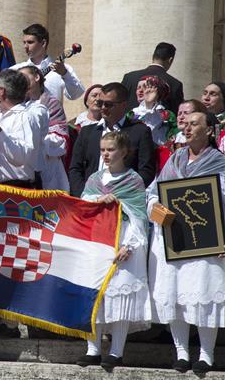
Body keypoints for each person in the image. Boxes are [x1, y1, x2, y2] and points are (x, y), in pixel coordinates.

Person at [147, 112, 225, 375]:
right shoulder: (174, 160)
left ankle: (206, 354)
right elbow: (152, 192)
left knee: (203, 295)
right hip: (174, 237)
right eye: (186, 124)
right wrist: (154, 208)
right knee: (175, 295)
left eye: (194, 124)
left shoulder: (220, 162)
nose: (188, 128)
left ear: (210, 131)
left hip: (207, 240)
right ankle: (181, 353)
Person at [76, 131, 150, 371]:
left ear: (124, 152)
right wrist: (99, 198)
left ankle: (117, 351)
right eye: (103, 150)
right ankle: (93, 349)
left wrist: (130, 245)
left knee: (121, 295)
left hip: (124, 239)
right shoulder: (94, 179)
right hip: (98, 239)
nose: (106, 154)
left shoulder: (133, 180)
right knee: (95, 294)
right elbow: (84, 207)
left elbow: (138, 216)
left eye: (111, 150)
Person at [69, 83, 156, 197]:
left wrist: (120, 195)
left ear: (123, 105)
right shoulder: (87, 132)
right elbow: (75, 169)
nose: (103, 108)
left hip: (123, 201)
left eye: (108, 104)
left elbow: (146, 172)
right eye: (100, 103)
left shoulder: (139, 132)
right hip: (89, 201)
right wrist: (85, 196)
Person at [19, 66, 69, 192]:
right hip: (25, 166)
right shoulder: (19, 106)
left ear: (36, 77)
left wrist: (36, 141)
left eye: (24, 77)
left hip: (48, 165)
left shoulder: (51, 103)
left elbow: (60, 139)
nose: (21, 82)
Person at [10, 24, 84, 107]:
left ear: (43, 43)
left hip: (51, 118)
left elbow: (76, 94)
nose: (25, 46)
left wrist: (65, 73)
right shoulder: (15, 69)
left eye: (30, 42)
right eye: (24, 42)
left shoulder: (64, 69)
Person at [122, 42, 184, 113]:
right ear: (170, 60)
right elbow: (176, 112)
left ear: (153, 56)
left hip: (128, 123)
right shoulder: (174, 84)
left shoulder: (129, 77)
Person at [128, 75, 176, 146]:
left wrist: (149, 104)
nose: (141, 90)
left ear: (158, 92)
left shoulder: (167, 115)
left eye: (146, 87)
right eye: (138, 87)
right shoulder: (131, 113)